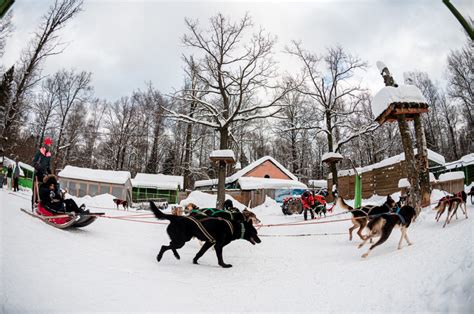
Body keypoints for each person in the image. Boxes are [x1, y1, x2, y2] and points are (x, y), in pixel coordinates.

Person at [32, 137, 53, 207]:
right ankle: (33, 204)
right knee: (35, 189)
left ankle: (40, 206)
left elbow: (48, 165)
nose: (49, 146)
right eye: (48, 144)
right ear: (45, 144)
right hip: (37, 173)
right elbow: (34, 162)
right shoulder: (40, 152)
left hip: (44, 175)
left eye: (50, 145)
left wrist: (50, 173)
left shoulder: (49, 155)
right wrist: (37, 167)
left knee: (42, 190)